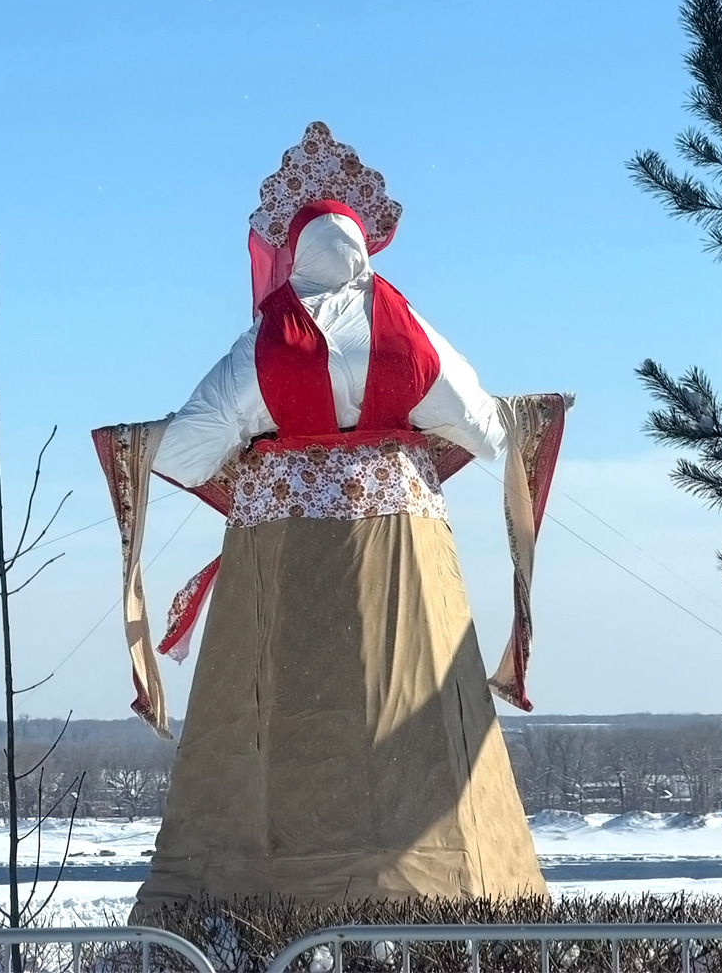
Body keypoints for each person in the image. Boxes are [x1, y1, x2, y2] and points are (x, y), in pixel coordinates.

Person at [93, 123, 566, 908]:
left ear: (293, 251)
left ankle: (253, 910)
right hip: (403, 553)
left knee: (271, 718)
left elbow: (181, 454)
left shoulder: (267, 343)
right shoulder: (408, 332)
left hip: (281, 551)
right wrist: (411, 433)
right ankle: (456, 896)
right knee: (420, 713)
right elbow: (489, 431)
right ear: (364, 249)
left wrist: (260, 443)